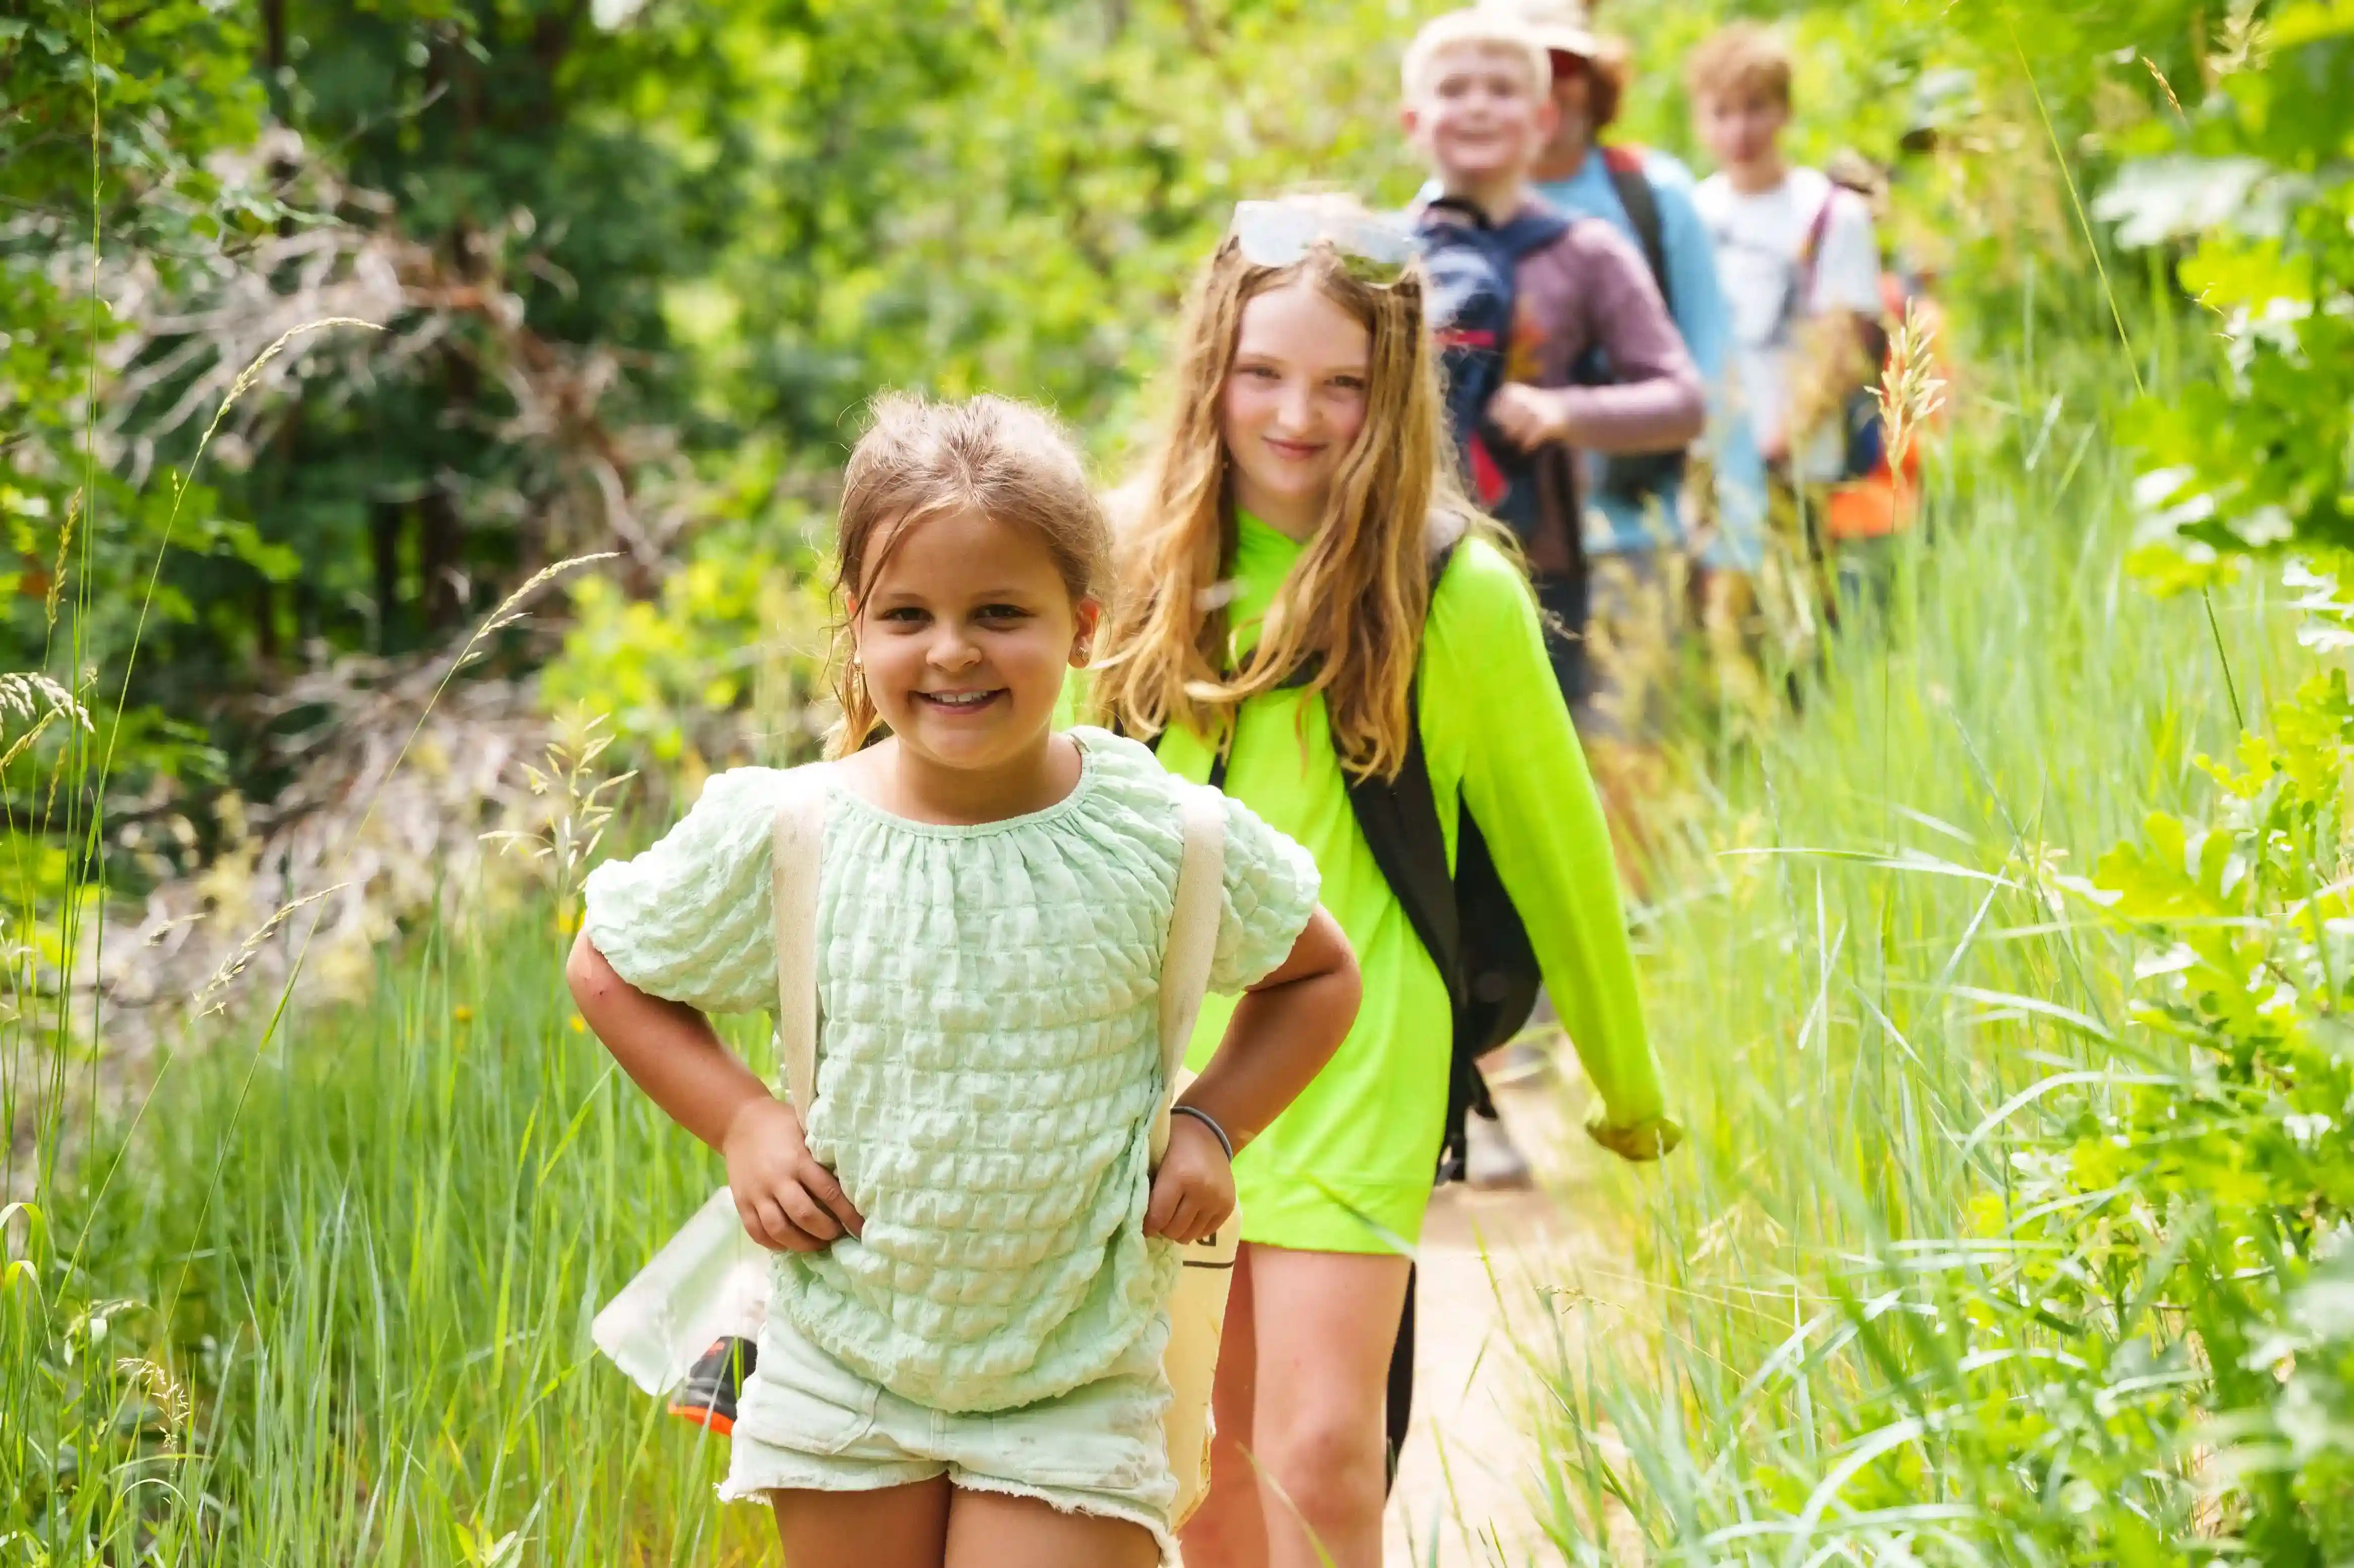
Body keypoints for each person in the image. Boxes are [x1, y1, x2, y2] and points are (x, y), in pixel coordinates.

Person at [566, 393, 1362, 1568]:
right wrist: (740, 1117)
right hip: (843, 1359)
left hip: (1074, 1374)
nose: (951, 649)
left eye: (1000, 612)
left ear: (1083, 623)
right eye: (908, 614)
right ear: (855, 626)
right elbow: (606, 964)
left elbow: (1319, 976)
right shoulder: (794, 828)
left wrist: (1209, 1122)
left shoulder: (1157, 834)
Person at [1082, 184, 1683, 1565]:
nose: (1297, 416)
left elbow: (1558, 845)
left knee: (1322, 1456)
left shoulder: (1448, 591)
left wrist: (1625, 1082)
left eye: (1343, 385)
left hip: (1358, 1048)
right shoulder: (1129, 564)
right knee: (1206, 1472)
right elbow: (1024, 806)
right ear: (1210, 373)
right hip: (1159, 1061)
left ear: (1397, 388)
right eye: (1264, 374)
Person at [1403, 8, 1702, 1186]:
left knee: (1517, 838)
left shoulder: (1584, 252)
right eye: (1453, 87)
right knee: (1415, 828)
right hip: (1400, 585)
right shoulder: (1382, 248)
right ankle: (1448, 1092)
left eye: (1499, 89)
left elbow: (1677, 392)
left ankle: (1504, 1068)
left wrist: (1568, 412)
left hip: (1542, 582)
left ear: (1543, 118)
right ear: (1412, 115)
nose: (1476, 107)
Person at [1474, 0, 1768, 724]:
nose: (1551, 88)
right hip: (1494, 554)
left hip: (1636, 541)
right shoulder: (1448, 211)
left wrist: (1740, 541)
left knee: (1630, 777)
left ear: (1594, 76)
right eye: (1526, 71)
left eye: (1566, 66)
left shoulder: (1649, 195)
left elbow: (1714, 371)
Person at [1687, 21, 1885, 639]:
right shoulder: (1693, 211)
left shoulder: (1829, 212)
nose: (1738, 130)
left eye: (1755, 109)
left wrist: (1780, 439)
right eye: (1721, 113)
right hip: (1707, 455)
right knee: (1718, 622)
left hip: (1796, 459)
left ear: (1784, 111)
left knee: (1793, 619)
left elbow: (1843, 345)